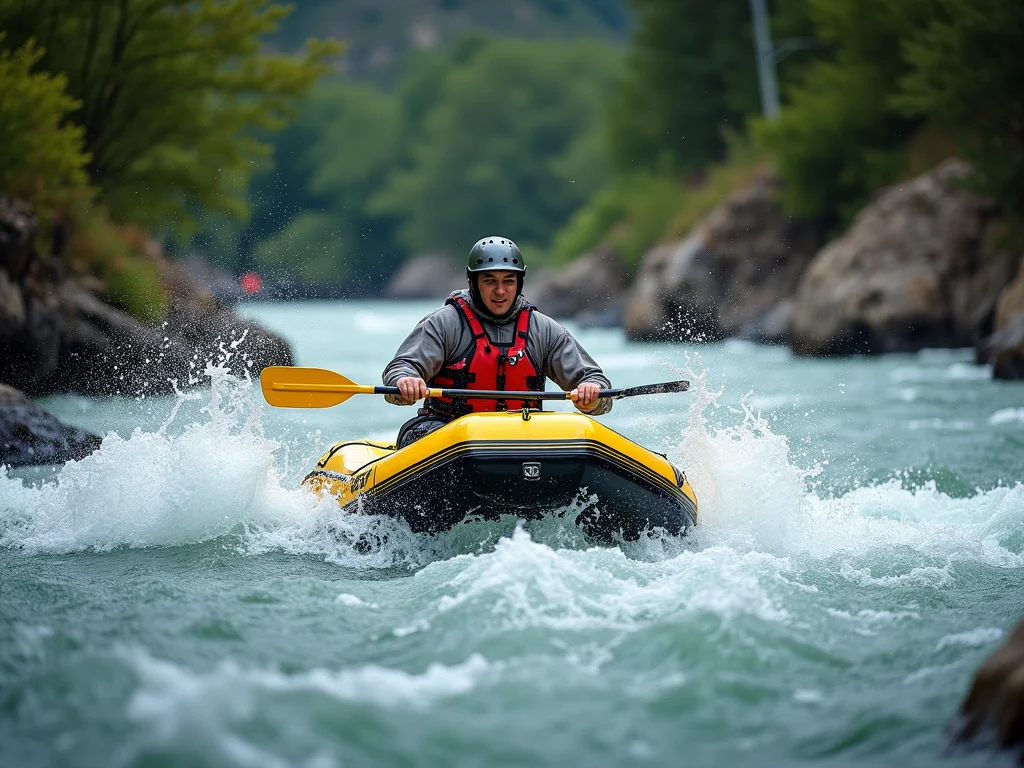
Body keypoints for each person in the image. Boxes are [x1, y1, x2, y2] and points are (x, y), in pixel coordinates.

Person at [383, 236, 612, 448]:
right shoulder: (444, 324)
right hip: (449, 433)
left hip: (521, 434)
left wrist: (590, 396)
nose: (500, 291)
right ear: (474, 281)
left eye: (508, 281)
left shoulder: (543, 329)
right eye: (490, 281)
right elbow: (401, 368)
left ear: (519, 282)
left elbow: (595, 382)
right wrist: (406, 381)